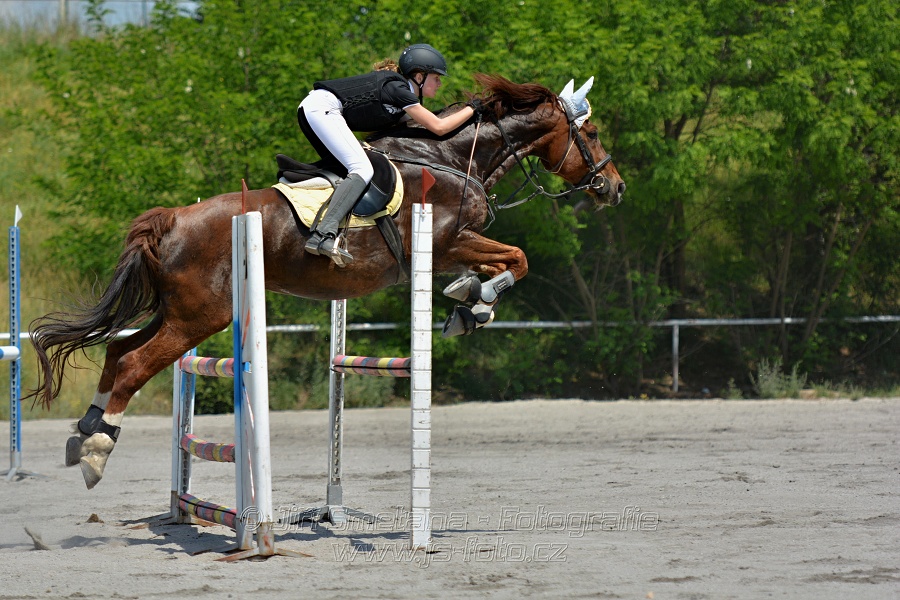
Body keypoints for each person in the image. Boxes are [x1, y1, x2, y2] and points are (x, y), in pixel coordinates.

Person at [297, 43, 477, 266]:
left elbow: (416, 131)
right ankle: (323, 234)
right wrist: (473, 108)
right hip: (322, 109)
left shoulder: (400, 96)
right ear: (419, 77)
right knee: (362, 168)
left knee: (350, 169)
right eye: (436, 78)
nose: (440, 83)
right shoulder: (398, 90)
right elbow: (439, 127)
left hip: (314, 110)